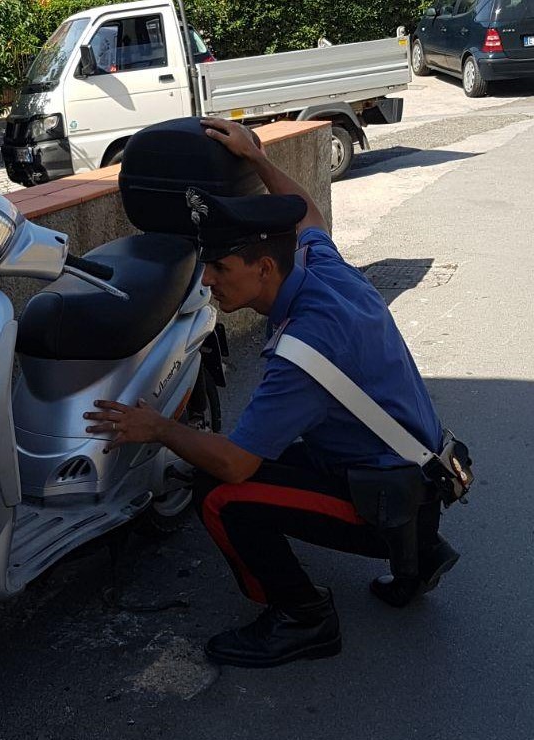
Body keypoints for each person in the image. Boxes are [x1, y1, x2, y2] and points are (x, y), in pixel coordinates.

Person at [84, 116, 460, 669]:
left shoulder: (303, 351)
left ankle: (302, 618)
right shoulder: (319, 267)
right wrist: (256, 157)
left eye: (219, 266)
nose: (207, 279)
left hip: (386, 498)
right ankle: (419, 555)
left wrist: (158, 428)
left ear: (263, 267)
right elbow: (304, 210)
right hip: (421, 474)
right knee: (258, 455)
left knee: (221, 494)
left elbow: (236, 464)